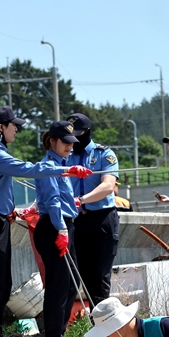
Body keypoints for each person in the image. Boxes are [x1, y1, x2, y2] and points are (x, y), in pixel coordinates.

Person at [0, 106, 91, 337]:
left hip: (0, 220)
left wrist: (14, 211)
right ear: (0, 128)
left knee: (2, 284)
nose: (16, 128)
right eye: (13, 125)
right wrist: (67, 170)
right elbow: (29, 170)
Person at [35, 121, 84, 337]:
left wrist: (72, 204)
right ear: (52, 141)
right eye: (65, 142)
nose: (69, 147)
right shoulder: (48, 167)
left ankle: (59, 332)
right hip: (55, 228)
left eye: (72, 143)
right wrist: (62, 230)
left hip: (65, 225)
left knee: (70, 282)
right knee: (58, 283)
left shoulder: (62, 165)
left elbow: (61, 198)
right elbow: (52, 201)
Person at [66, 112, 120, 304]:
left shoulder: (104, 154)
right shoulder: (68, 157)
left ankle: (104, 323)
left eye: (78, 134)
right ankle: (94, 321)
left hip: (102, 219)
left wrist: (82, 199)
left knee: (100, 274)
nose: (74, 140)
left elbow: (107, 186)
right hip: (78, 220)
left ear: (87, 132)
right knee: (83, 274)